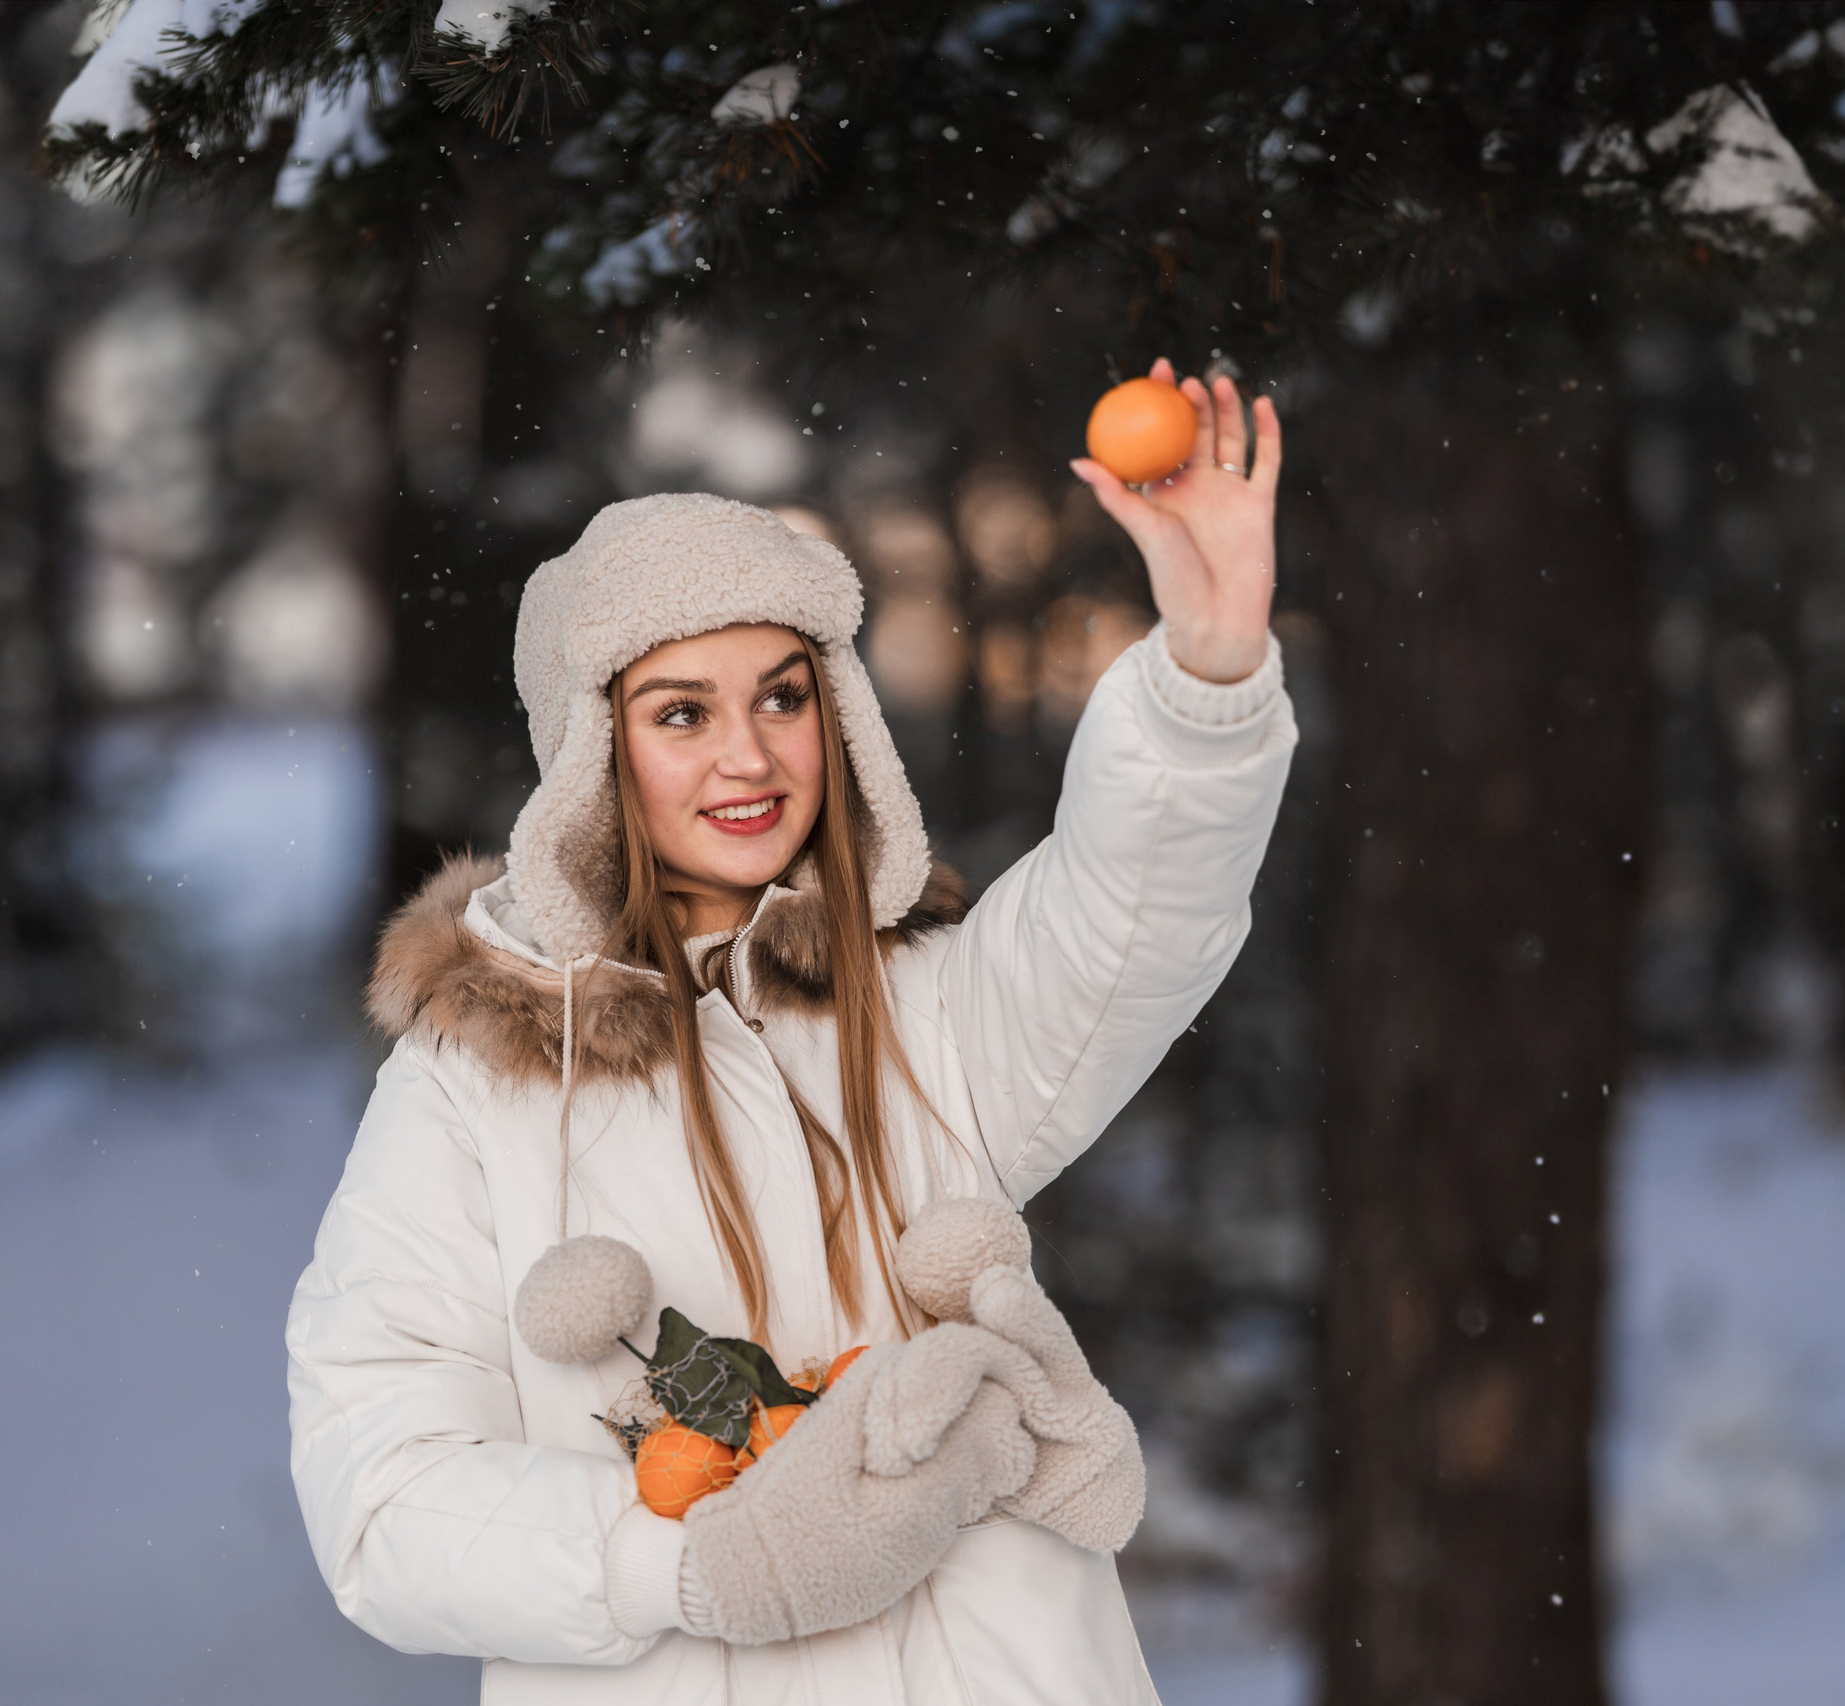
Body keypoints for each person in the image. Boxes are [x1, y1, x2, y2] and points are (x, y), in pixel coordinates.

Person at [287, 364, 1296, 1703]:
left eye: (782, 695)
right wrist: (688, 1565)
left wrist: (1206, 664)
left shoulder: (931, 1004)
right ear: (592, 755)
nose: (750, 757)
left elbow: (1138, 910)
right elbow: (380, 1492)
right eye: (681, 712)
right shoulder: (475, 1087)